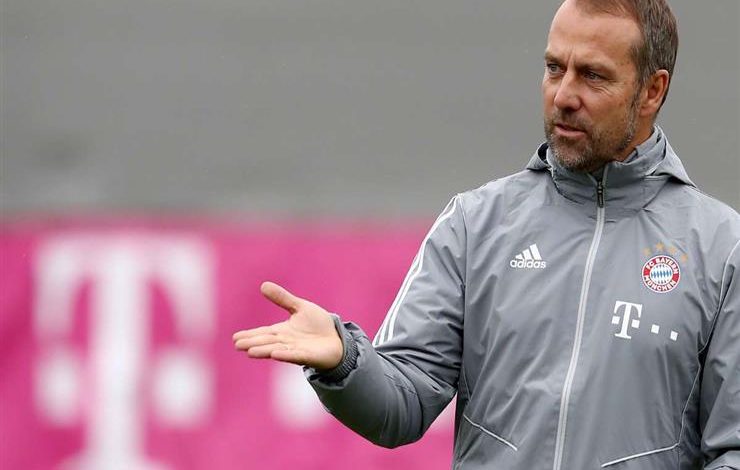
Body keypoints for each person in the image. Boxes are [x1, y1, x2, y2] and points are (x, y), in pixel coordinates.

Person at [233, 0, 740, 468]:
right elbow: (402, 403)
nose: (564, 96)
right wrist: (346, 362)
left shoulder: (722, 249)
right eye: (554, 68)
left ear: (652, 90)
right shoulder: (475, 224)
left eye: (593, 75)